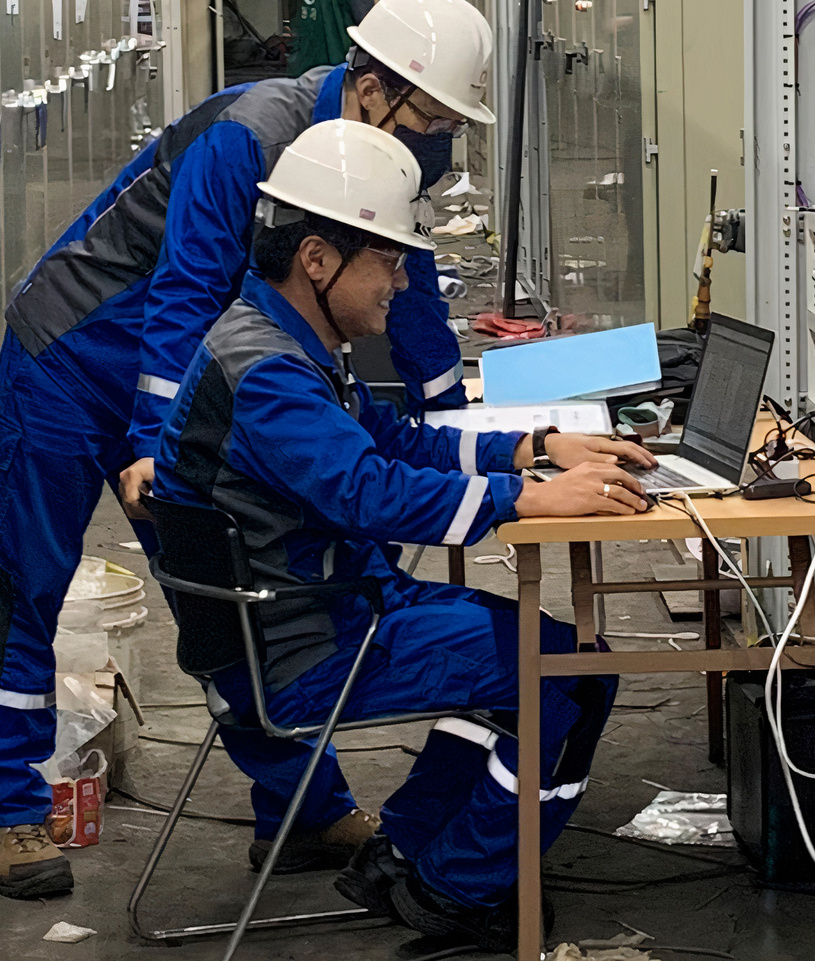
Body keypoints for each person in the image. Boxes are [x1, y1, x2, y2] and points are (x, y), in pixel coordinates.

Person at [0, 0, 489, 899]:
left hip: (191, 380)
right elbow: (184, 291)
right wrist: (151, 445)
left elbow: (404, 283)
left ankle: (302, 812)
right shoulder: (249, 134)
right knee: (27, 584)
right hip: (76, 359)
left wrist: (444, 418)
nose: (439, 143)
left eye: (451, 123)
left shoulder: (387, 153)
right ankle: (7, 810)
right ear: (372, 87)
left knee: (238, 603)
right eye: (432, 119)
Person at [154, 120, 651, 950]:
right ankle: (456, 891)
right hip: (309, 648)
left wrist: (533, 449)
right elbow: (370, 491)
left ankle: (413, 854)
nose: (405, 279)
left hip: (327, 613)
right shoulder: (268, 373)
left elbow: (397, 441)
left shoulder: (283, 345)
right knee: (566, 672)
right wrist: (526, 502)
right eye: (388, 258)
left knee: (562, 664)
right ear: (316, 258)